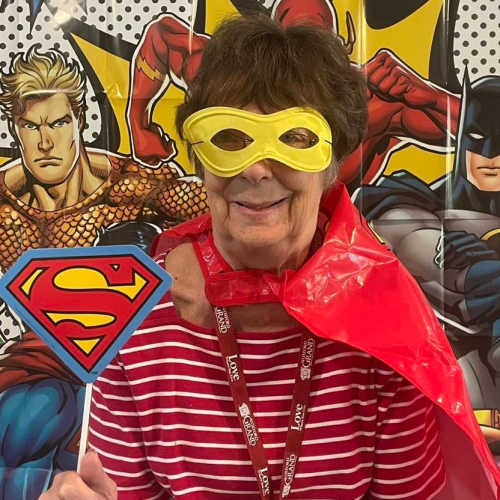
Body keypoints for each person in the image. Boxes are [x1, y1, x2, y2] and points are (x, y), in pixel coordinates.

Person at [40, 14, 500, 500]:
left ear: (330, 164)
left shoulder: (385, 324)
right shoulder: (138, 317)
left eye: (293, 139)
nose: (257, 168)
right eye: (230, 139)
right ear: (200, 158)